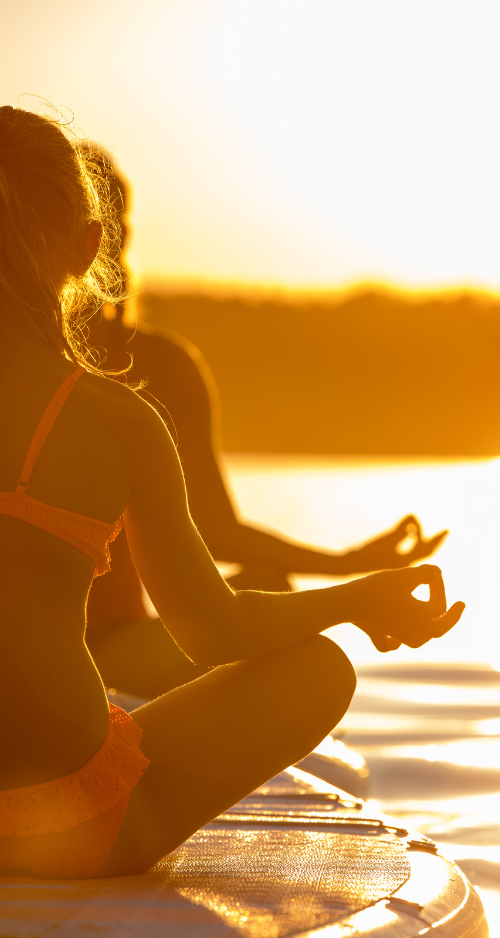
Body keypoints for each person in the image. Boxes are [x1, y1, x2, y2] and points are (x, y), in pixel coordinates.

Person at [0, 104, 464, 879]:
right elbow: (215, 633)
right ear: (90, 247)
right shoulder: (118, 418)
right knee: (315, 667)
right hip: (65, 831)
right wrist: (357, 594)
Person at [85, 152, 448, 699]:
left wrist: (346, 565)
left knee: (265, 588)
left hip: (114, 653)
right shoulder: (148, 366)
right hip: (101, 658)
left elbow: (212, 528)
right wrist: (348, 575)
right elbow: (216, 531)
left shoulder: (157, 365)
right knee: (279, 618)